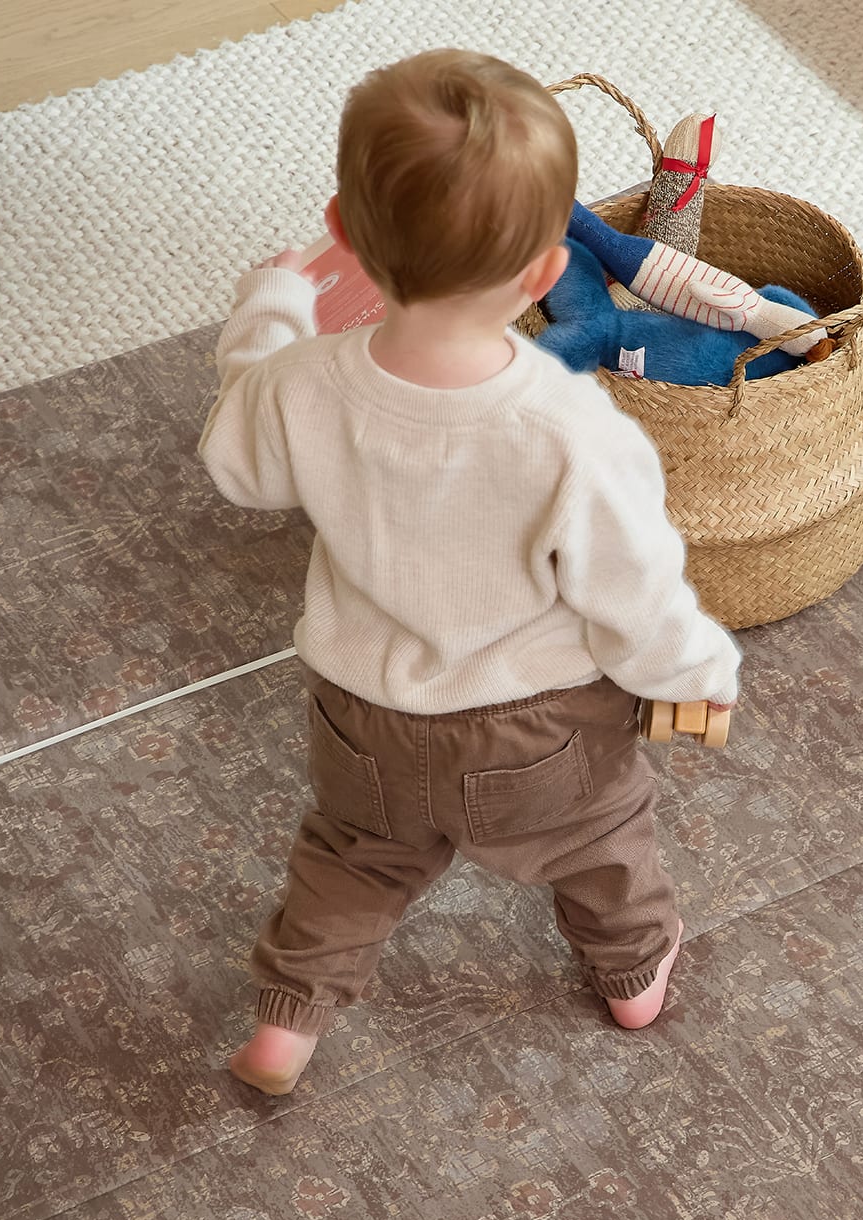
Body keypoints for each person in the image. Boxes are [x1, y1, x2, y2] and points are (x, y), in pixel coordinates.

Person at [198, 49, 740, 1095]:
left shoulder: (299, 384)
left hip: (365, 714)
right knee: (603, 835)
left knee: (353, 857)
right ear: (545, 274)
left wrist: (268, 312)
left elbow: (239, 460)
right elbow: (634, 589)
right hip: (536, 726)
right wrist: (694, 670)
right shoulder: (572, 426)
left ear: (346, 239)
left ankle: (289, 1019)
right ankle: (631, 976)